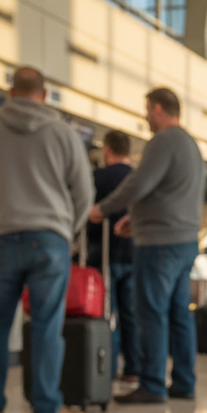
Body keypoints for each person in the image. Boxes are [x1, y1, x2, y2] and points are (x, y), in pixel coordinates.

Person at [0, 66, 93, 413]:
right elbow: (83, 193)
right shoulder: (63, 133)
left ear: (11, 91)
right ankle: (46, 408)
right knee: (46, 326)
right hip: (50, 239)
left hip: (2, 236)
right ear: (44, 93)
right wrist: (67, 228)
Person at [89, 87, 205, 404]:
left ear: (156, 109)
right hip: (183, 241)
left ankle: (152, 384)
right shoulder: (191, 145)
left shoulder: (163, 141)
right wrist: (135, 220)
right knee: (179, 314)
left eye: (146, 110)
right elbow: (168, 193)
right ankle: (183, 382)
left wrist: (104, 209)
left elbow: (140, 183)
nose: (145, 117)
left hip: (160, 245)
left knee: (151, 312)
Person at [86, 129, 138, 384]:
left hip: (105, 255)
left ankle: (108, 368)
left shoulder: (99, 178)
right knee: (131, 315)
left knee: (108, 315)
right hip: (134, 255)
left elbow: (90, 215)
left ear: (107, 149)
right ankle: (133, 368)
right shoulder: (139, 178)